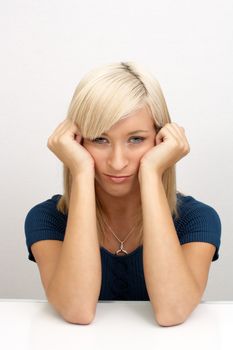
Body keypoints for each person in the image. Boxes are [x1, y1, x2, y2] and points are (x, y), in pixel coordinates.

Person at [24, 61, 221, 326]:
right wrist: (81, 171)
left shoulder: (198, 219)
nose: (117, 162)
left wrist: (151, 173)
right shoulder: (47, 219)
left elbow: (172, 312)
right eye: (100, 139)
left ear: (160, 140)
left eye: (136, 139)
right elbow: (77, 310)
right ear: (77, 142)